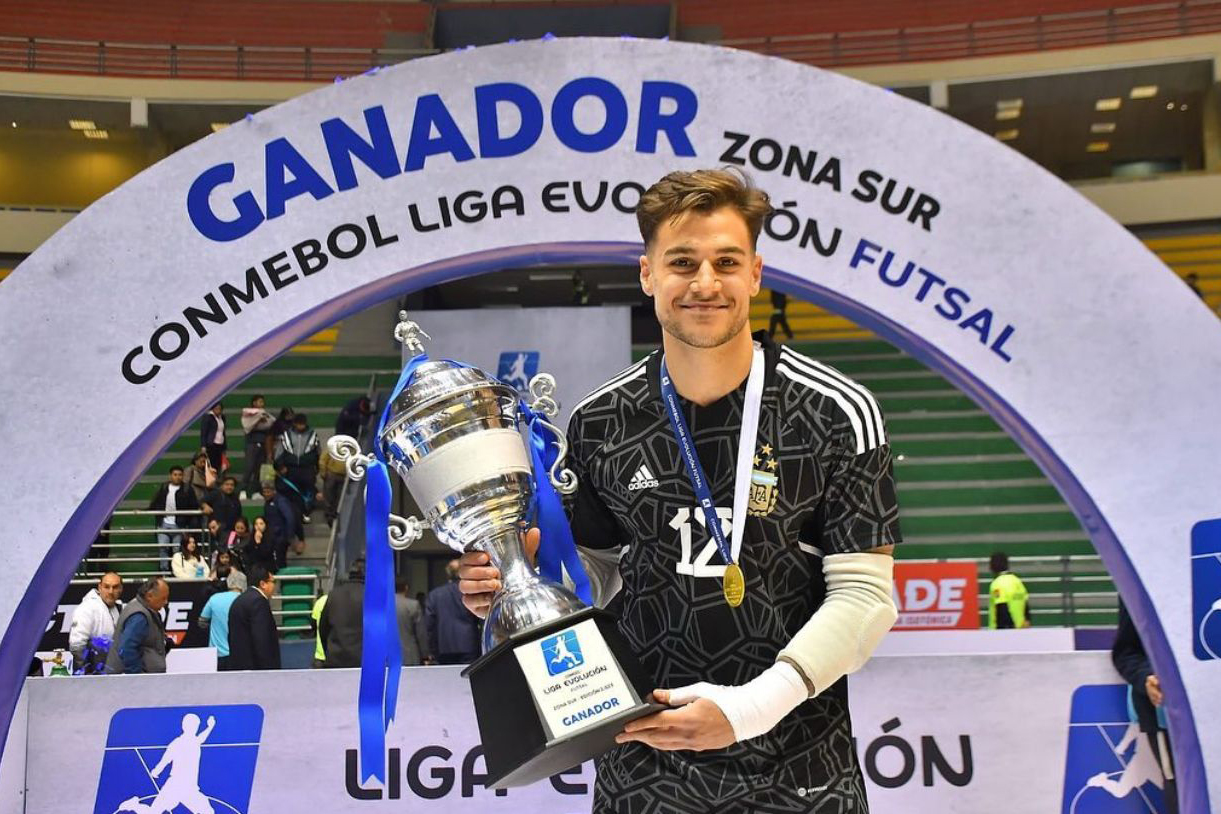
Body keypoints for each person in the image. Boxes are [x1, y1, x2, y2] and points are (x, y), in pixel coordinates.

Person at [459, 169, 901, 813]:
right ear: (648, 274)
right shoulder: (600, 420)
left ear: (755, 273)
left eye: (727, 262)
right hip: (645, 770)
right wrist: (520, 583)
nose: (705, 282)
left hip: (801, 772)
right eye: (682, 262)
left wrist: (749, 709)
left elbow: (865, 597)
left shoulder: (835, 411)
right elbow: (598, 578)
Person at [1109, 600, 1177, 812]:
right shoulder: (1142, 586)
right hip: (1166, 714)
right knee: (1181, 787)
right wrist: (1147, 676)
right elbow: (1126, 652)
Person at [118, 713, 217, 814]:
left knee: (208, 811)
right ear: (184, 726)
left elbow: (202, 737)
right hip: (175, 785)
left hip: (190, 788)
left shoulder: (195, 741)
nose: (194, 728)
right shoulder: (177, 743)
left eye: (196, 725)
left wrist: (210, 727)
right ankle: (133, 805)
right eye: (192, 725)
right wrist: (156, 771)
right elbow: (165, 759)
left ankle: (134, 805)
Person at [105, 577, 171, 675]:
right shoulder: (139, 616)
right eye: (163, 598)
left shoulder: (142, 609)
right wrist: (137, 676)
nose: (166, 602)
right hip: (134, 680)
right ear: (149, 596)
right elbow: (127, 649)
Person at [427, 559, 482, 665]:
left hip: (443, 645)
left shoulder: (435, 595)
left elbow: (430, 624)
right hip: (469, 643)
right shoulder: (470, 592)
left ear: (448, 574)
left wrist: (432, 649)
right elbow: (481, 617)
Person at [227, 563, 281, 670]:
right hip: (256, 667)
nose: (274, 586)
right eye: (273, 582)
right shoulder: (259, 602)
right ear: (263, 584)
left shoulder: (240, 599)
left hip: (239, 663)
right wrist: (268, 668)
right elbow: (262, 638)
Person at [148, 466, 199, 574]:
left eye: (180, 475)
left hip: (179, 524)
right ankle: (164, 572)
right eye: (175, 475)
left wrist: (187, 522)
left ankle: (176, 571)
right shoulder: (164, 487)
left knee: (177, 550)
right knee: (163, 547)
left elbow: (193, 505)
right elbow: (156, 502)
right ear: (170, 476)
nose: (177, 477)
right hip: (164, 523)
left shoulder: (187, 489)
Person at [68, 571, 122, 668]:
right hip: (91, 671)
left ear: (121, 589)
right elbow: (77, 645)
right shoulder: (86, 608)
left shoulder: (117, 609)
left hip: (110, 668)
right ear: (99, 587)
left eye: (115, 587)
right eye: (106, 587)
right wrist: (85, 671)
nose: (111, 591)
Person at [319, 559, 366, 668]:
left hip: (336, 658)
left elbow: (323, 628)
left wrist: (328, 650)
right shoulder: (373, 596)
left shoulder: (334, 595)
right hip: (364, 659)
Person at [276, 412, 320, 525]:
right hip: (291, 469)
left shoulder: (313, 435)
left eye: (303, 424)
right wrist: (280, 466)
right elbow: (279, 452)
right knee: (293, 492)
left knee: (308, 492)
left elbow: (318, 452)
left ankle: (306, 513)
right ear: (295, 424)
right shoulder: (286, 435)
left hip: (307, 469)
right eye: (299, 424)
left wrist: (317, 467)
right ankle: (295, 514)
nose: (301, 426)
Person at [199, 569, 247, 671]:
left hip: (216, 654)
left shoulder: (214, 598)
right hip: (239, 654)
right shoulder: (245, 601)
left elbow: (202, 622)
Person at [240, 394, 275, 499]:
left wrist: (262, 419)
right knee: (249, 467)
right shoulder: (248, 413)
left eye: (262, 402)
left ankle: (256, 491)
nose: (262, 404)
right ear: (254, 403)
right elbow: (247, 426)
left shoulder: (265, 414)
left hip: (263, 444)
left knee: (258, 469)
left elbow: (271, 422)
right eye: (259, 402)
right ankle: (243, 490)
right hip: (252, 443)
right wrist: (258, 419)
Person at [262, 479, 302, 562]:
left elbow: (290, 518)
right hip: (272, 536)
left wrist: (290, 536)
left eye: (268, 492)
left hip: (281, 537)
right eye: (264, 492)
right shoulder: (267, 503)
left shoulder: (281, 501)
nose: (266, 494)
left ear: (274, 491)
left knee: (280, 560)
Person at [988, 551, 1031, 629]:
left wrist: (1007, 629)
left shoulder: (997, 583)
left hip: (1004, 631)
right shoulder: (1017, 581)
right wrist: (1027, 621)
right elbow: (1025, 604)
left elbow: (1002, 608)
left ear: (993, 566)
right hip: (1021, 630)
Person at [396, 578, 429, 667]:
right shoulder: (413, 605)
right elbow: (421, 633)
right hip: (410, 654)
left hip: (387, 655)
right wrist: (425, 655)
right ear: (406, 587)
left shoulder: (382, 607)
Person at [202, 476, 243, 542]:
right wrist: (205, 506)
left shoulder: (235, 498)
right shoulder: (215, 494)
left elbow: (239, 514)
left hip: (231, 530)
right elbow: (201, 501)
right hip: (217, 529)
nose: (229, 487)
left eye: (232, 485)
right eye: (227, 484)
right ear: (222, 485)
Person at [318, 442, 348, 528]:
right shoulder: (332, 448)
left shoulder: (350, 449)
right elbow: (323, 460)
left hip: (343, 476)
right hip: (331, 474)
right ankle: (329, 515)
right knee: (329, 496)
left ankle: (336, 514)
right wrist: (323, 473)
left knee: (339, 497)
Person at [200, 402, 227, 474]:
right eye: (216, 408)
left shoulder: (222, 417)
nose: (218, 410)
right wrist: (203, 445)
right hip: (211, 444)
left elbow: (223, 432)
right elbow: (204, 432)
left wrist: (224, 445)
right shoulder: (208, 417)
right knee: (212, 463)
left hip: (220, 443)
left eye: (220, 409)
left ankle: (217, 476)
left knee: (219, 464)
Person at [310, 592, 328, 668]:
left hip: (320, 657)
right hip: (337, 656)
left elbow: (313, 625)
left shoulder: (320, 601)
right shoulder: (345, 602)